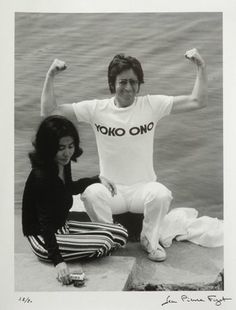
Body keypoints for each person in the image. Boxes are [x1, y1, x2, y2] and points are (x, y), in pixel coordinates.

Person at [40, 48, 208, 262]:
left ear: (139, 83)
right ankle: (110, 240)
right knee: (91, 194)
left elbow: (197, 101)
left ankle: (150, 240)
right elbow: (49, 111)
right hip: (112, 191)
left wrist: (201, 66)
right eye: (122, 82)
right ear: (113, 84)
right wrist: (51, 75)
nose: (128, 87)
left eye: (133, 82)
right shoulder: (96, 109)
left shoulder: (151, 105)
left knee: (162, 194)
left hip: (143, 189)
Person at [22, 115, 128, 285]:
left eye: (70, 146)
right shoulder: (42, 177)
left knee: (121, 233)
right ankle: (70, 257)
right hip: (43, 238)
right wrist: (58, 262)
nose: (67, 153)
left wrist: (98, 179)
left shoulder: (63, 164)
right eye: (61, 148)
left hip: (63, 226)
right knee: (106, 240)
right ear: (48, 148)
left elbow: (70, 188)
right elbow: (45, 224)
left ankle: (76, 249)